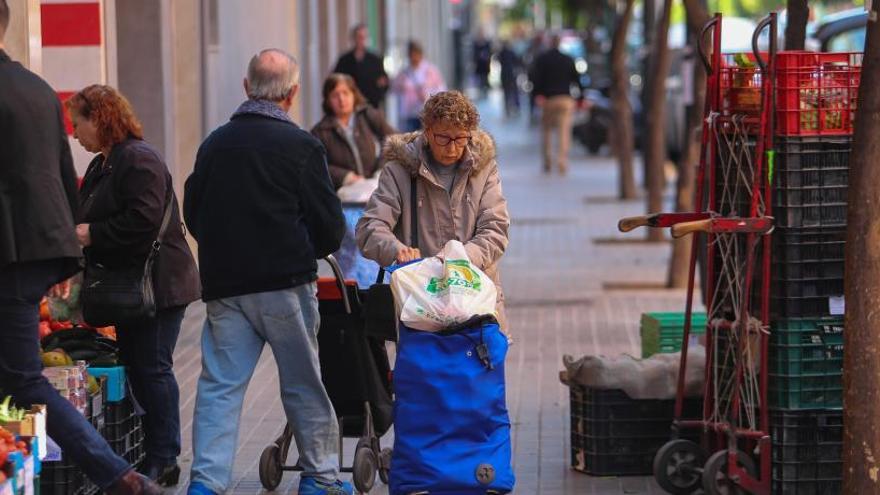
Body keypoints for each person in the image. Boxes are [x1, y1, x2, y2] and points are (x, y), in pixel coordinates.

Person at [0, 2, 161, 494]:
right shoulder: (38, 90)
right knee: (20, 381)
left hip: (7, 256)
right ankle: (102, 474)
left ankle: (116, 475)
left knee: (23, 381)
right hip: (36, 254)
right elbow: (59, 176)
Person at [183, 49, 349, 495]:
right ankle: (320, 479)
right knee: (303, 384)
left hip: (225, 287)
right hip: (285, 287)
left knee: (220, 387)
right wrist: (303, 250)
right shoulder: (302, 147)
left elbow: (194, 212)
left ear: (245, 87)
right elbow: (331, 228)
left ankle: (206, 484)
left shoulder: (214, 144)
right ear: (293, 95)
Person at [66, 84, 201, 487]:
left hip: (158, 287)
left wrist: (93, 235)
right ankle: (153, 450)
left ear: (100, 119)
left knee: (152, 368)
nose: (74, 134)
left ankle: (165, 456)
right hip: (131, 288)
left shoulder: (138, 160)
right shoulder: (104, 164)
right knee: (142, 367)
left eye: (78, 124)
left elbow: (143, 222)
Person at [356, 91, 510, 330]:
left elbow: (496, 228)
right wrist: (397, 250)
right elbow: (369, 228)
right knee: (426, 366)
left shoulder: (484, 168)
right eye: (443, 138)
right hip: (422, 304)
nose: (452, 148)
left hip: (476, 302)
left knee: (478, 365)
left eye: (460, 139)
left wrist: (457, 261)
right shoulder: (399, 171)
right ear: (427, 132)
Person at [311, 73, 396, 190]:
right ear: (328, 100)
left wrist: (382, 169)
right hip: (343, 196)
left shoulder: (368, 115)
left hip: (376, 187)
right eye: (335, 95)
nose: (341, 99)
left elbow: (394, 139)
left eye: (345, 93)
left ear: (354, 95)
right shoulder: (320, 132)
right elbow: (317, 165)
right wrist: (346, 177)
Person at [531, 34, 585, 175]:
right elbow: (577, 80)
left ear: (549, 43)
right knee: (564, 132)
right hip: (565, 99)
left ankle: (548, 161)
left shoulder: (542, 59)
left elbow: (535, 79)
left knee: (547, 132)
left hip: (548, 99)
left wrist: (537, 95)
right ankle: (562, 162)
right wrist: (581, 98)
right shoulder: (568, 59)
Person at [392, 40, 446, 132]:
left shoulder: (430, 71)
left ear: (420, 54)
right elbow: (394, 90)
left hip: (427, 114)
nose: (413, 57)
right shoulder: (404, 73)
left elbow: (441, 90)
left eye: (415, 54)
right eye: (411, 54)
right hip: (409, 116)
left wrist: (427, 96)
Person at [333, 23, 389, 110]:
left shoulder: (375, 60)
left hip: (370, 105)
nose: (361, 40)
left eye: (364, 37)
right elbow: (336, 79)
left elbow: (384, 82)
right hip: (350, 106)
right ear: (354, 38)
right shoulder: (344, 60)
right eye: (359, 37)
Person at [497, 40, 522, 117]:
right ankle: (514, 107)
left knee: (508, 93)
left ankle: (509, 108)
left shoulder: (502, 53)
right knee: (513, 92)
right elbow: (517, 61)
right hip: (510, 74)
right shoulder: (510, 52)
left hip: (506, 74)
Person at [472, 31, 492, 98]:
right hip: (479, 66)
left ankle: (485, 92)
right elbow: (474, 55)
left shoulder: (487, 43)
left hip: (485, 65)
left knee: (485, 79)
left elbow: (490, 53)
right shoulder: (476, 44)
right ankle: (481, 93)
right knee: (479, 80)